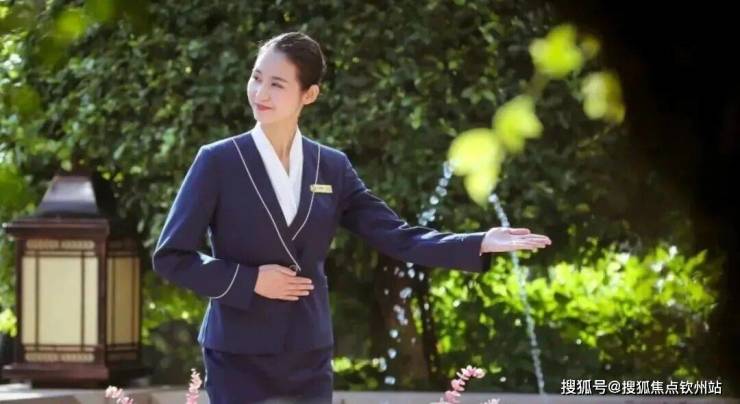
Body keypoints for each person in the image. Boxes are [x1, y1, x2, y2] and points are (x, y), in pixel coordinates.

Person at [152, 31, 551, 404]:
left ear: (309, 94)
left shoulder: (331, 166)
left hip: (309, 354)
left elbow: (396, 236)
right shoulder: (218, 161)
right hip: (237, 354)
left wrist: (478, 241)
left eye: (277, 84)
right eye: (256, 78)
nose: (260, 93)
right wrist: (251, 280)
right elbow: (172, 257)